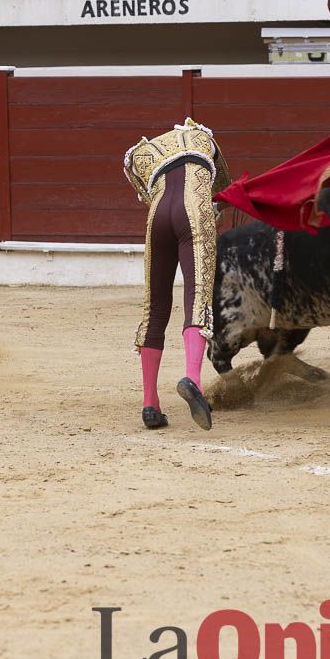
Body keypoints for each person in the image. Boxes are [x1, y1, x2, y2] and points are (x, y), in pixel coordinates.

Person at [123, 118, 231, 431]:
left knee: (154, 308)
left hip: (157, 218)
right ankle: (193, 380)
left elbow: (146, 192)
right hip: (193, 211)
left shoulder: (143, 154)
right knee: (197, 297)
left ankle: (150, 404)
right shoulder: (203, 139)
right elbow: (221, 192)